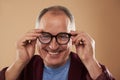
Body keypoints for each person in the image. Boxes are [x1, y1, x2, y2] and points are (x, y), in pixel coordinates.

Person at [0, 5, 115, 80]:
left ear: (72, 38)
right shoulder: (25, 68)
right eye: (45, 36)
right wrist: (19, 62)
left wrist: (90, 61)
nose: (53, 46)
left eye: (63, 36)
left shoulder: (89, 69)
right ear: (35, 37)